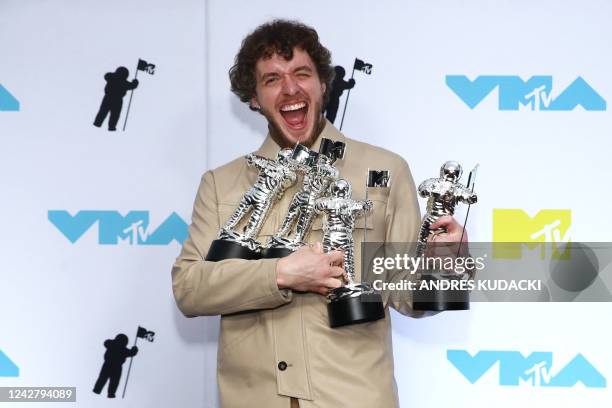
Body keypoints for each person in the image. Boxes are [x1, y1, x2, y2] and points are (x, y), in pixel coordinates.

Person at [171, 19, 468, 408]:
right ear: (254, 99)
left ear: (323, 84)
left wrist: (445, 264)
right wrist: (279, 273)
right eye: (272, 79)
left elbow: (407, 295)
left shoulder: (385, 169)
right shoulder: (221, 183)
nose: (291, 88)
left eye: (301, 73)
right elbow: (190, 289)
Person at [92, 333, 138, 398]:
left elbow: (131, 353)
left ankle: (100, 390)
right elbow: (131, 353)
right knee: (111, 380)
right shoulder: (120, 347)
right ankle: (107, 392)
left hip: (111, 364)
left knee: (109, 379)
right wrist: (134, 350)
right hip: (114, 364)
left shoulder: (116, 346)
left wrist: (134, 350)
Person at [93, 67, 139, 131]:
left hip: (109, 97)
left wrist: (134, 83)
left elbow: (106, 75)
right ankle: (111, 127)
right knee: (114, 115)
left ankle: (98, 123)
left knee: (104, 112)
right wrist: (135, 82)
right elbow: (132, 86)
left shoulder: (112, 77)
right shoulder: (123, 82)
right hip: (117, 99)